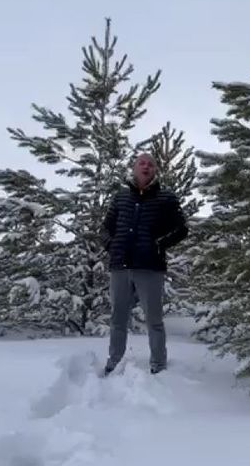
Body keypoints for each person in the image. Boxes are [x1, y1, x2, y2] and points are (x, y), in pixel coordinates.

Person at [100, 152, 189, 375]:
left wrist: (159, 245)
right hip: (120, 266)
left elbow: (182, 229)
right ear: (134, 168)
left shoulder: (166, 198)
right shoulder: (121, 197)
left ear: (155, 170)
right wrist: (112, 247)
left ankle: (158, 364)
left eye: (150, 164)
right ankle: (114, 360)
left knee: (154, 319)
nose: (146, 166)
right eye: (142, 163)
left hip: (150, 266)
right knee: (118, 317)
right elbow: (105, 228)